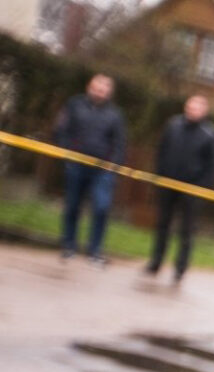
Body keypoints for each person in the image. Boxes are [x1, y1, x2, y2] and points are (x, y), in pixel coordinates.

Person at [145, 95, 214, 284]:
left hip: (192, 190)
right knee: (163, 225)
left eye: (197, 107)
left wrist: (201, 189)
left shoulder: (210, 133)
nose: (192, 110)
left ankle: (180, 268)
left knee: (187, 230)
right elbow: (161, 151)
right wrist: (160, 176)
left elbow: (212, 165)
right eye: (190, 106)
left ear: (204, 111)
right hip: (168, 184)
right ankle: (155, 261)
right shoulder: (173, 125)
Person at [54, 74, 125, 266]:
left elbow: (119, 143)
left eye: (104, 89)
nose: (100, 92)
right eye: (97, 87)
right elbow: (62, 130)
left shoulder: (115, 114)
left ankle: (95, 250)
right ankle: (69, 245)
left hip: (102, 170)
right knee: (72, 205)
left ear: (109, 92)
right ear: (89, 87)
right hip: (76, 164)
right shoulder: (74, 105)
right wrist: (66, 154)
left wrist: (113, 166)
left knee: (101, 207)